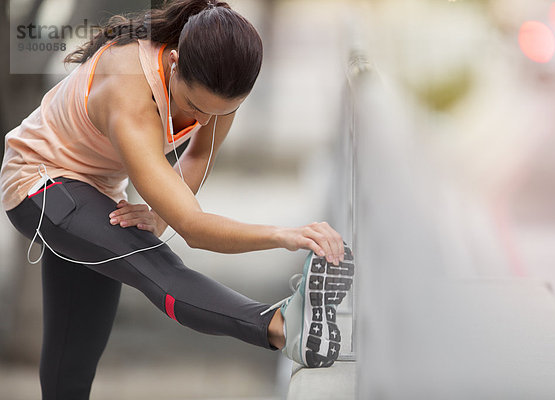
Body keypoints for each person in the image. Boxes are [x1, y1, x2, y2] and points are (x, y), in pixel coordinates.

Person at [0, 0, 355, 398]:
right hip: (40, 183)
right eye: (195, 107)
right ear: (172, 63)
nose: (204, 121)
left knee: (73, 361)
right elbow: (195, 229)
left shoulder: (221, 78)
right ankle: (283, 326)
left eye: (222, 113)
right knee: (156, 267)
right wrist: (286, 235)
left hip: (99, 191)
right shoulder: (128, 90)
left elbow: (199, 155)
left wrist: (158, 215)